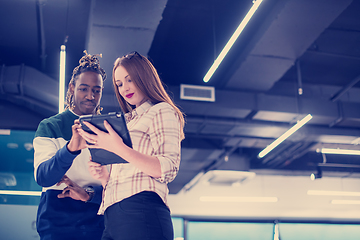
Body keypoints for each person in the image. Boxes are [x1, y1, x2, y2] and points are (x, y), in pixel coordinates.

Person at [79, 51, 185, 240]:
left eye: (129, 80)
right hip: (112, 214)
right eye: (119, 84)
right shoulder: (125, 122)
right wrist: (104, 176)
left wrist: (117, 146)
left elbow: (167, 169)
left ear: (144, 77)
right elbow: (124, 173)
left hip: (142, 210)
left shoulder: (161, 110)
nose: (124, 88)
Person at [33, 51, 107, 240]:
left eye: (96, 90)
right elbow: (44, 177)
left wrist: (88, 193)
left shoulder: (108, 130)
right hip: (56, 224)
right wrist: (70, 149)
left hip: (96, 225)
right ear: (72, 87)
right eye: (84, 88)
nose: (90, 96)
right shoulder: (50, 126)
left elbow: (114, 183)